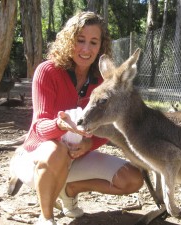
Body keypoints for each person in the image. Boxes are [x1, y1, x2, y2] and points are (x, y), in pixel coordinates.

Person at [12, 11, 144, 225]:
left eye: (93, 42)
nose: (86, 49)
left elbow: (109, 128)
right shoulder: (48, 71)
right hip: (39, 157)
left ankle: (70, 191)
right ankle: (46, 217)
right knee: (56, 151)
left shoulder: (102, 83)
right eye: (80, 40)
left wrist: (89, 143)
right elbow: (39, 127)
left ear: (101, 46)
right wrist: (59, 124)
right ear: (68, 40)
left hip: (75, 158)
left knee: (132, 179)